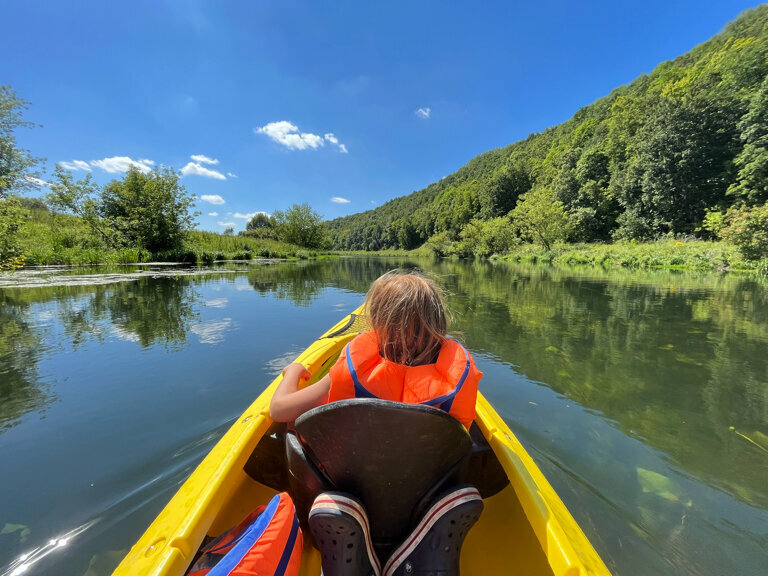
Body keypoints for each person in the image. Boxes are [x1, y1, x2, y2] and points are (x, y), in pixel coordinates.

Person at [270, 269, 484, 576]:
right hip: (419, 501)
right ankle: (421, 540)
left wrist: (292, 371)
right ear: (439, 324)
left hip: (351, 492)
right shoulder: (456, 382)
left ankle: (351, 538)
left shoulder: (345, 375)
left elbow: (279, 410)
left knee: (293, 431)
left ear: (377, 324)